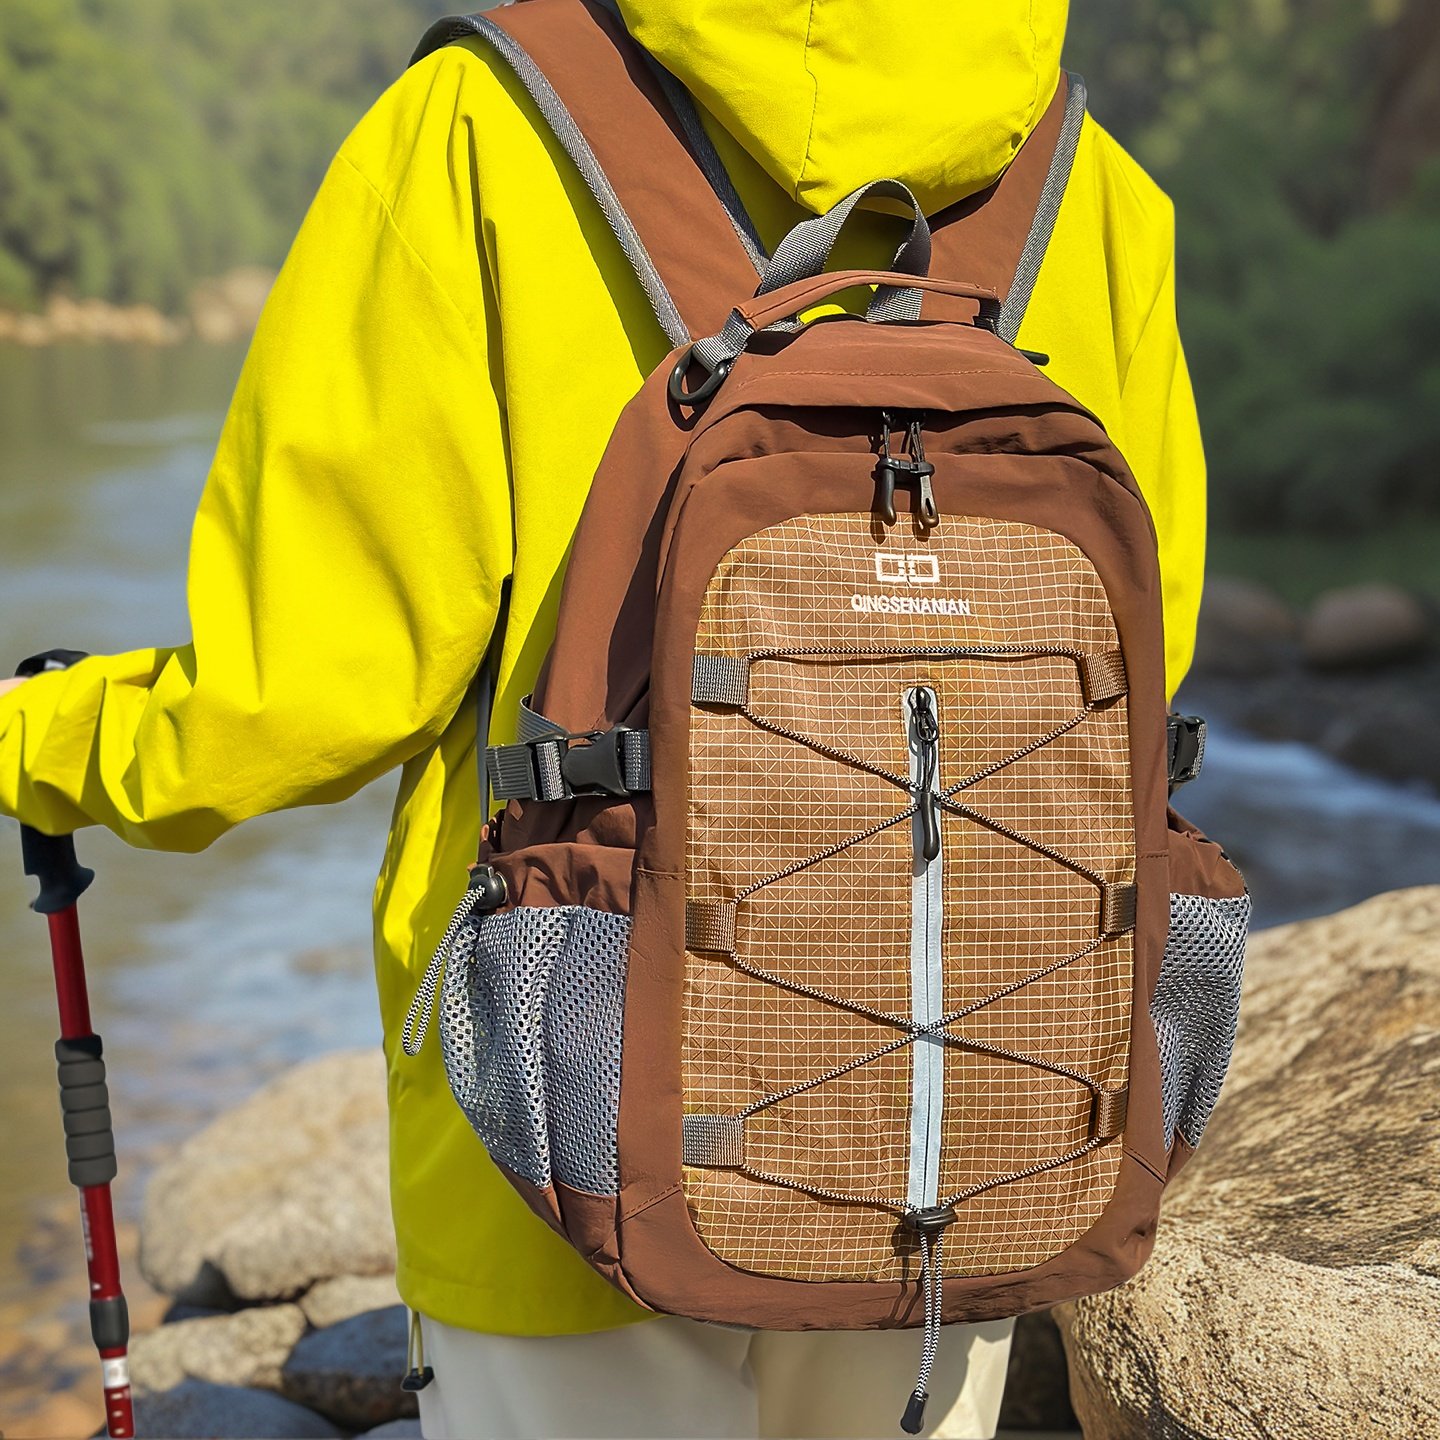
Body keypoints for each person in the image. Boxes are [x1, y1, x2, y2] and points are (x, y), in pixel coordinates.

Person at [0, 1, 1205, 1435]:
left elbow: (312, 690)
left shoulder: (476, 129)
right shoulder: (1087, 178)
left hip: (568, 1137)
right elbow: (1140, 651)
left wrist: (49, 741)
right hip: (962, 1121)